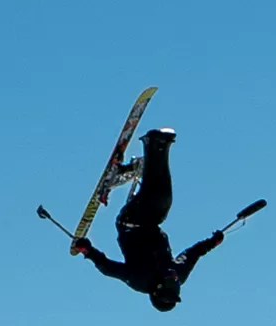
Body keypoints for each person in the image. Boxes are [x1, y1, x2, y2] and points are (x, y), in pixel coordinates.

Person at [71, 128, 225, 312]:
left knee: (158, 198)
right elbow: (193, 254)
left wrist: (88, 251)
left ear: (156, 291)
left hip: (131, 224)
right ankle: (155, 151)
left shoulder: (139, 280)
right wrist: (212, 242)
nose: (173, 282)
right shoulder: (177, 274)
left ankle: (155, 145)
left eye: (168, 288)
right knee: (163, 199)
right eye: (174, 288)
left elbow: (109, 268)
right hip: (152, 222)